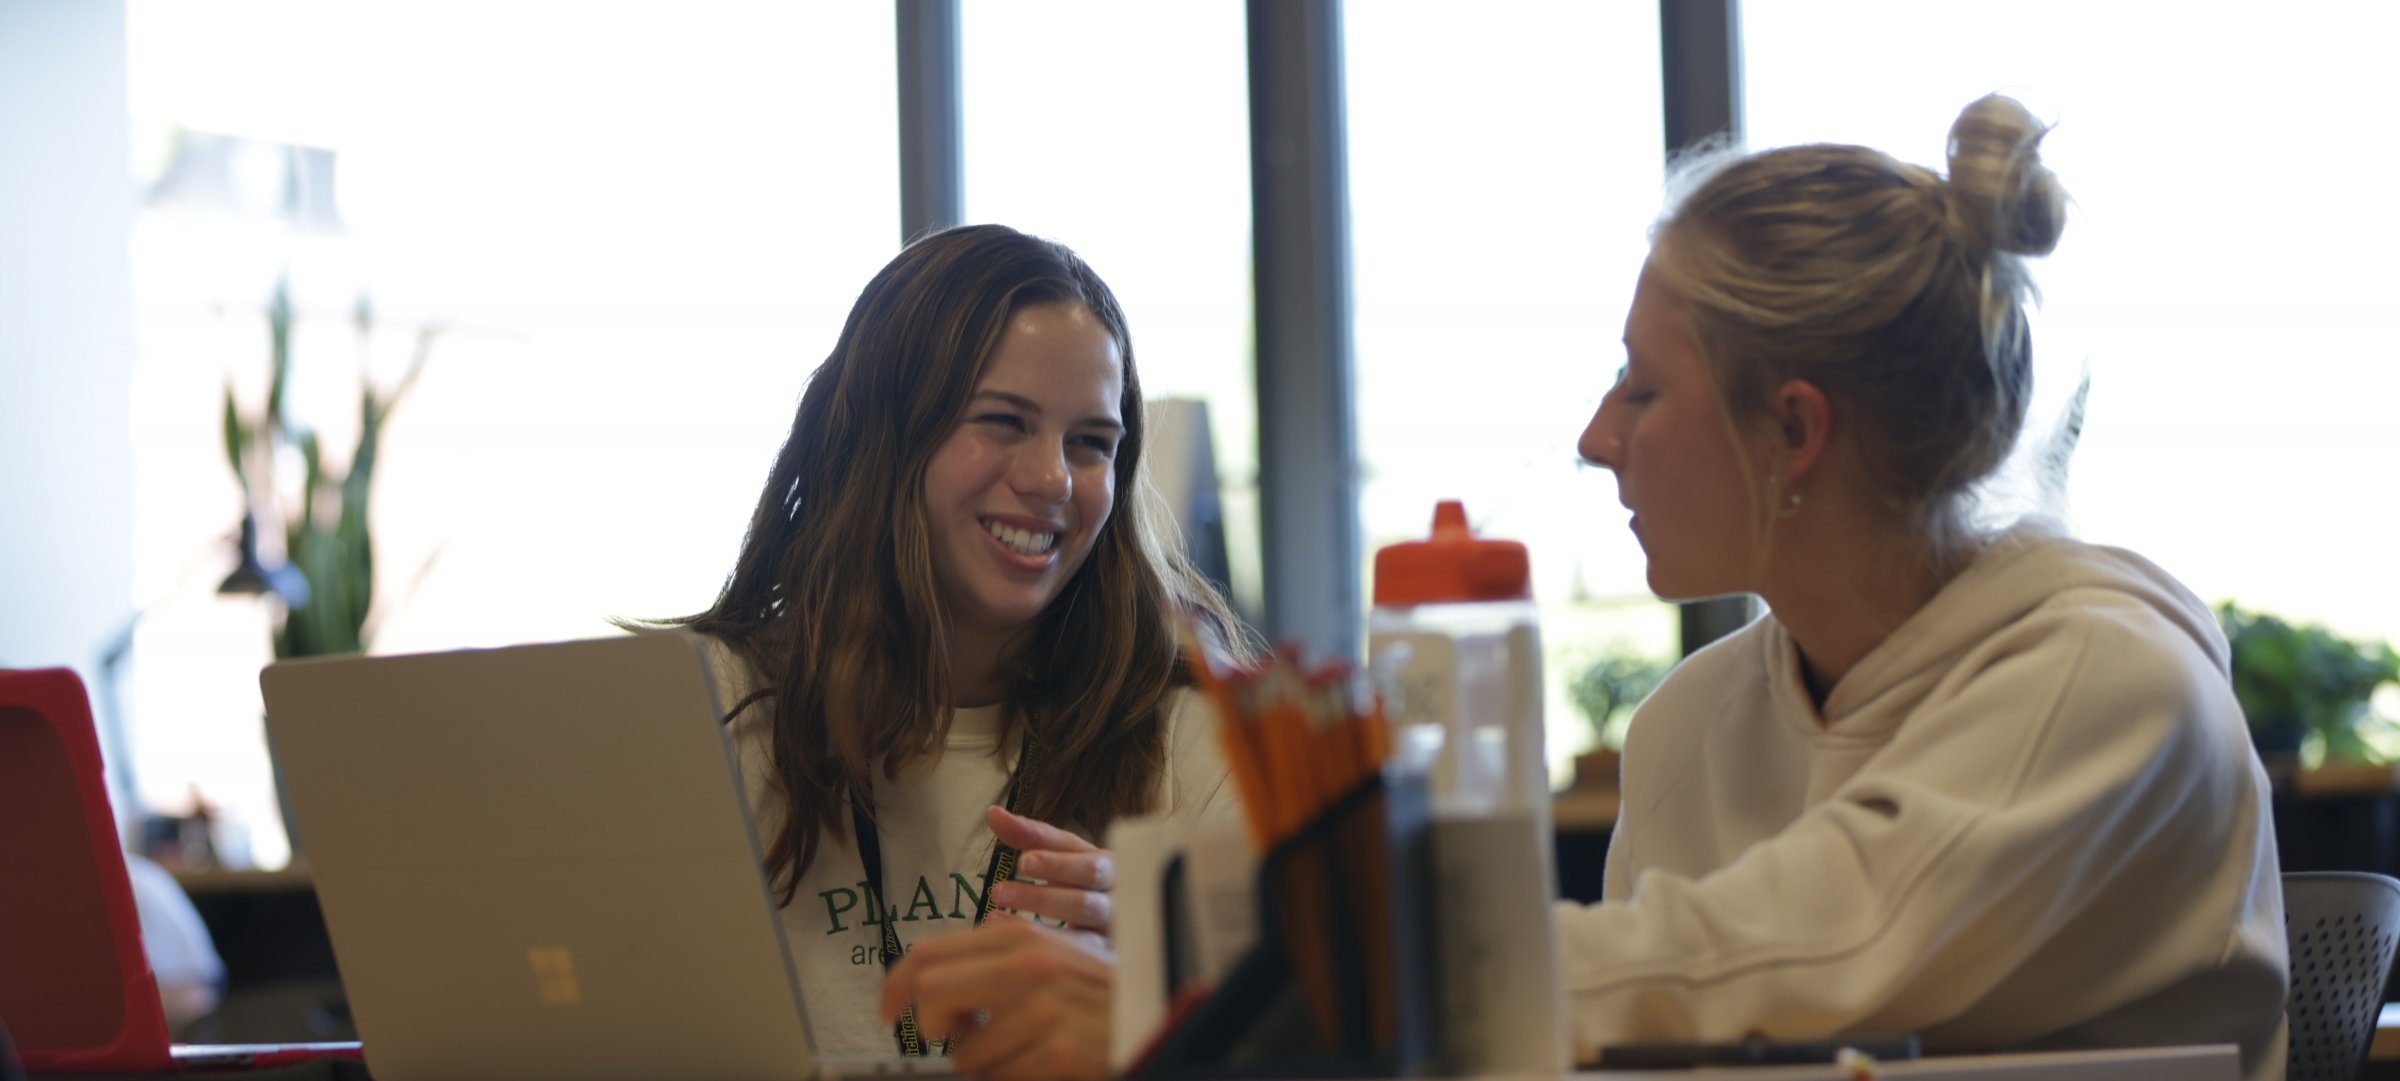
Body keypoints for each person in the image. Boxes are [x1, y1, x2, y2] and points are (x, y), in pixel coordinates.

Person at [1561, 94, 2286, 1076]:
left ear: (1793, 431)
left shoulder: (2111, 682)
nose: (1597, 441)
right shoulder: (1687, 726)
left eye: (1641, 390)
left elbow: (1825, 945)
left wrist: (1416, 968)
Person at [656, 223, 1249, 1077]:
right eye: (1004, 422)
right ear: (883, 440)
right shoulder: (702, 709)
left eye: (1092, 442)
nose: (1052, 478)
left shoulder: (1195, 741)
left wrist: (1172, 1003)